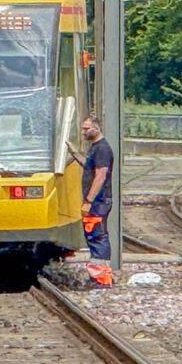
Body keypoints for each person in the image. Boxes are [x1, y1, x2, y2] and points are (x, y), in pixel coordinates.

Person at [78, 116, 114, 287]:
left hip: (98, 202)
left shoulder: (102, 149)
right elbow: (89, 167)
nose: (83, 132)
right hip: (97, 202)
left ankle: (100, 279)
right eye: (83, 128)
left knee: (97, 236)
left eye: (87, 129)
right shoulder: (96, 148)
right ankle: (101, 276)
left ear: (97, 128)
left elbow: (100, 176)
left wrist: (88, 200)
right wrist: (73, 153)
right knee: (95, 235)